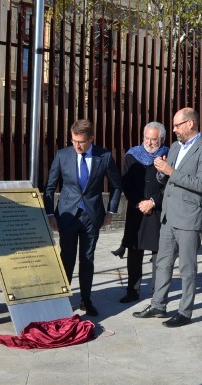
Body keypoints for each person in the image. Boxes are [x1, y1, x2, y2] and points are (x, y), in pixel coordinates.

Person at [132, 107, 202, 327]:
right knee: (162, 263)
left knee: (188, 268)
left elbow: (201, 184)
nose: (174, 130)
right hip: (169, 216)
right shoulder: (173, 147)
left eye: (177, 125)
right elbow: (166, 180)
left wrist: (170, 171)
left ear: (190, 123)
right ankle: (158, 305)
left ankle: (185, 311)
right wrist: (161, 172)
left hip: (189, 217)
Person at [44, 119, 122, 316]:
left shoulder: (103, 157)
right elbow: (50, 187)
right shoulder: (63, 156)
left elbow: (116, 186)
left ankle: (86, 300)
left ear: (91, 139)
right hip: (67, 216)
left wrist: (111, 211)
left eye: (81, 142)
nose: (77, 145)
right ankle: (63, 299)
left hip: (92, 216)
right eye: (73, 141)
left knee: (87, 258)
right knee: (67, 258)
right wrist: (50, 213)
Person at [118, 122, 169, 303]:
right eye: (146, 138)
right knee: (134, 250)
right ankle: (133, 290)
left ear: (161, 139)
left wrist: (153, 202)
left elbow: (170, 185)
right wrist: (140, 202)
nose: (149, 142)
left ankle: (157, 291)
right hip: (136, 209)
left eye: (153, 139)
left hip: (158, 211)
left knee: (159, 253)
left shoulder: (169, 155)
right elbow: (126, 181)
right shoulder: (133, 155)